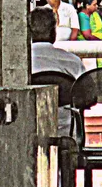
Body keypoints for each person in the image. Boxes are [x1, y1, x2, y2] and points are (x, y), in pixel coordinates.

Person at [29, 7, 84, 136]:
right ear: (54, 32)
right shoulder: (72, 62)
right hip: (67, 133)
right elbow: (88, 96)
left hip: (27, 129)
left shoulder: (17, 64)